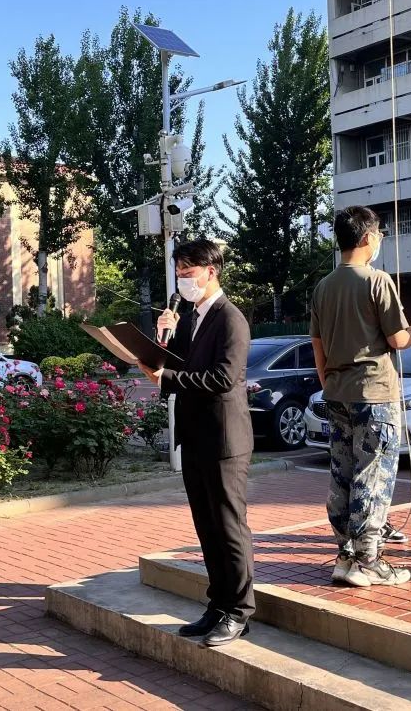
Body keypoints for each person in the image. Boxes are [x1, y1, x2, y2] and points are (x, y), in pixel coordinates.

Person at [139, 239, 255, 646]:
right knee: (206, 528)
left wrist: (167, 378)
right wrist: (162, 339)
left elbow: (223, 378)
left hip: (224, 440)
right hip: (195, 437)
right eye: (179, 273)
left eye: (188, 272)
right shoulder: (190, 319)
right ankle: (218, 605)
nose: (183, 280)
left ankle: (239, 611)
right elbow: (176, 365)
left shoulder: (230, 319)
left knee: (228, 528)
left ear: (211, 271)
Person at [310, 206, 411, 587]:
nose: (379, 241)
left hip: (337, 393)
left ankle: (344, 556)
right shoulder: (377, 281)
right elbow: (397, 338)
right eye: (379, 235)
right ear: (367, 238)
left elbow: (317, 344)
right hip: (374, 393)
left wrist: (329, 381)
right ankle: (368, 560)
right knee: (373, 476)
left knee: (342, 474)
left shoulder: (323, 287)